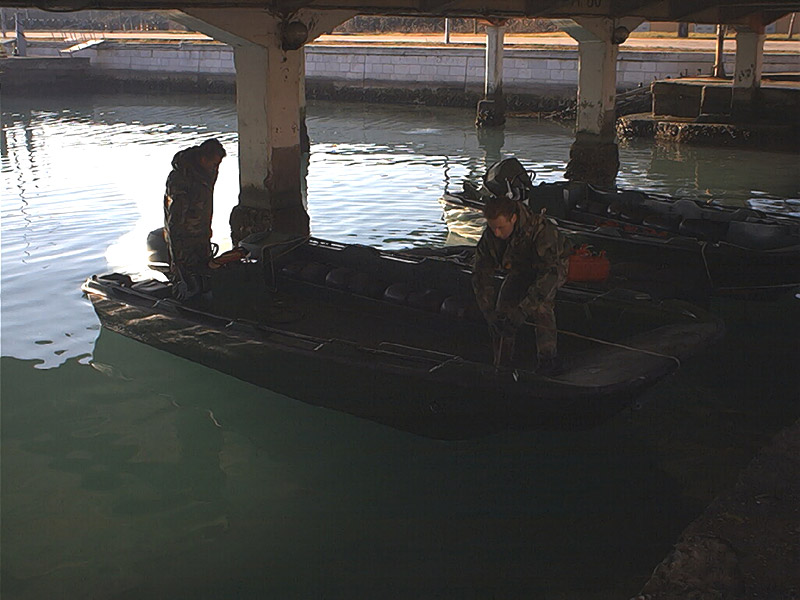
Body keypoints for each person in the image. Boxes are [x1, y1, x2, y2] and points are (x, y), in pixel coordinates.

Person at [472, 194, 571, 375]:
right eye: (493, 227)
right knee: (503, 309)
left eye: (501, 227)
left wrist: (523, 310)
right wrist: (489, 313)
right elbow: (481, 275)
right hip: (520, 269)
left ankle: (548, 360)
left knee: (541, 307)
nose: (497, 233)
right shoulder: (490, 237)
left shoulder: (541, 231)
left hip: (552, 268)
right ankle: (502, 363)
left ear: (514, 218)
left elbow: (549, 275)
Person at [163, 138, 226, 300]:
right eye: (214, 164)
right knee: (186, 278)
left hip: (202, 234)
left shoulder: (206, 173)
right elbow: (175, 219)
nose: (216, 168)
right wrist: (177, 252)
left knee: (205, 274)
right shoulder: (180, 180)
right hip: (184, 239)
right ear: (203, 159)